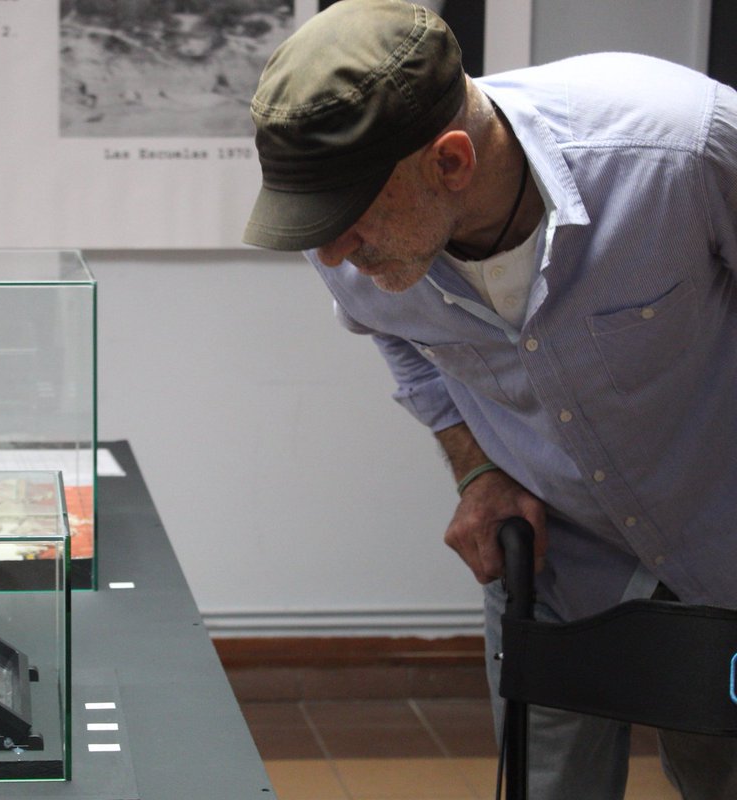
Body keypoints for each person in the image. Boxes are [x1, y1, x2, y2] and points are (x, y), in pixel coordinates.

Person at [242, 1, 737, 797]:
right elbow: (398, 336)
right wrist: (479, 472)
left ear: (452, 163)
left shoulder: (677, 149)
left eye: (346, 222)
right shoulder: (345, 236)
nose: (331, 252)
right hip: (556, 563)